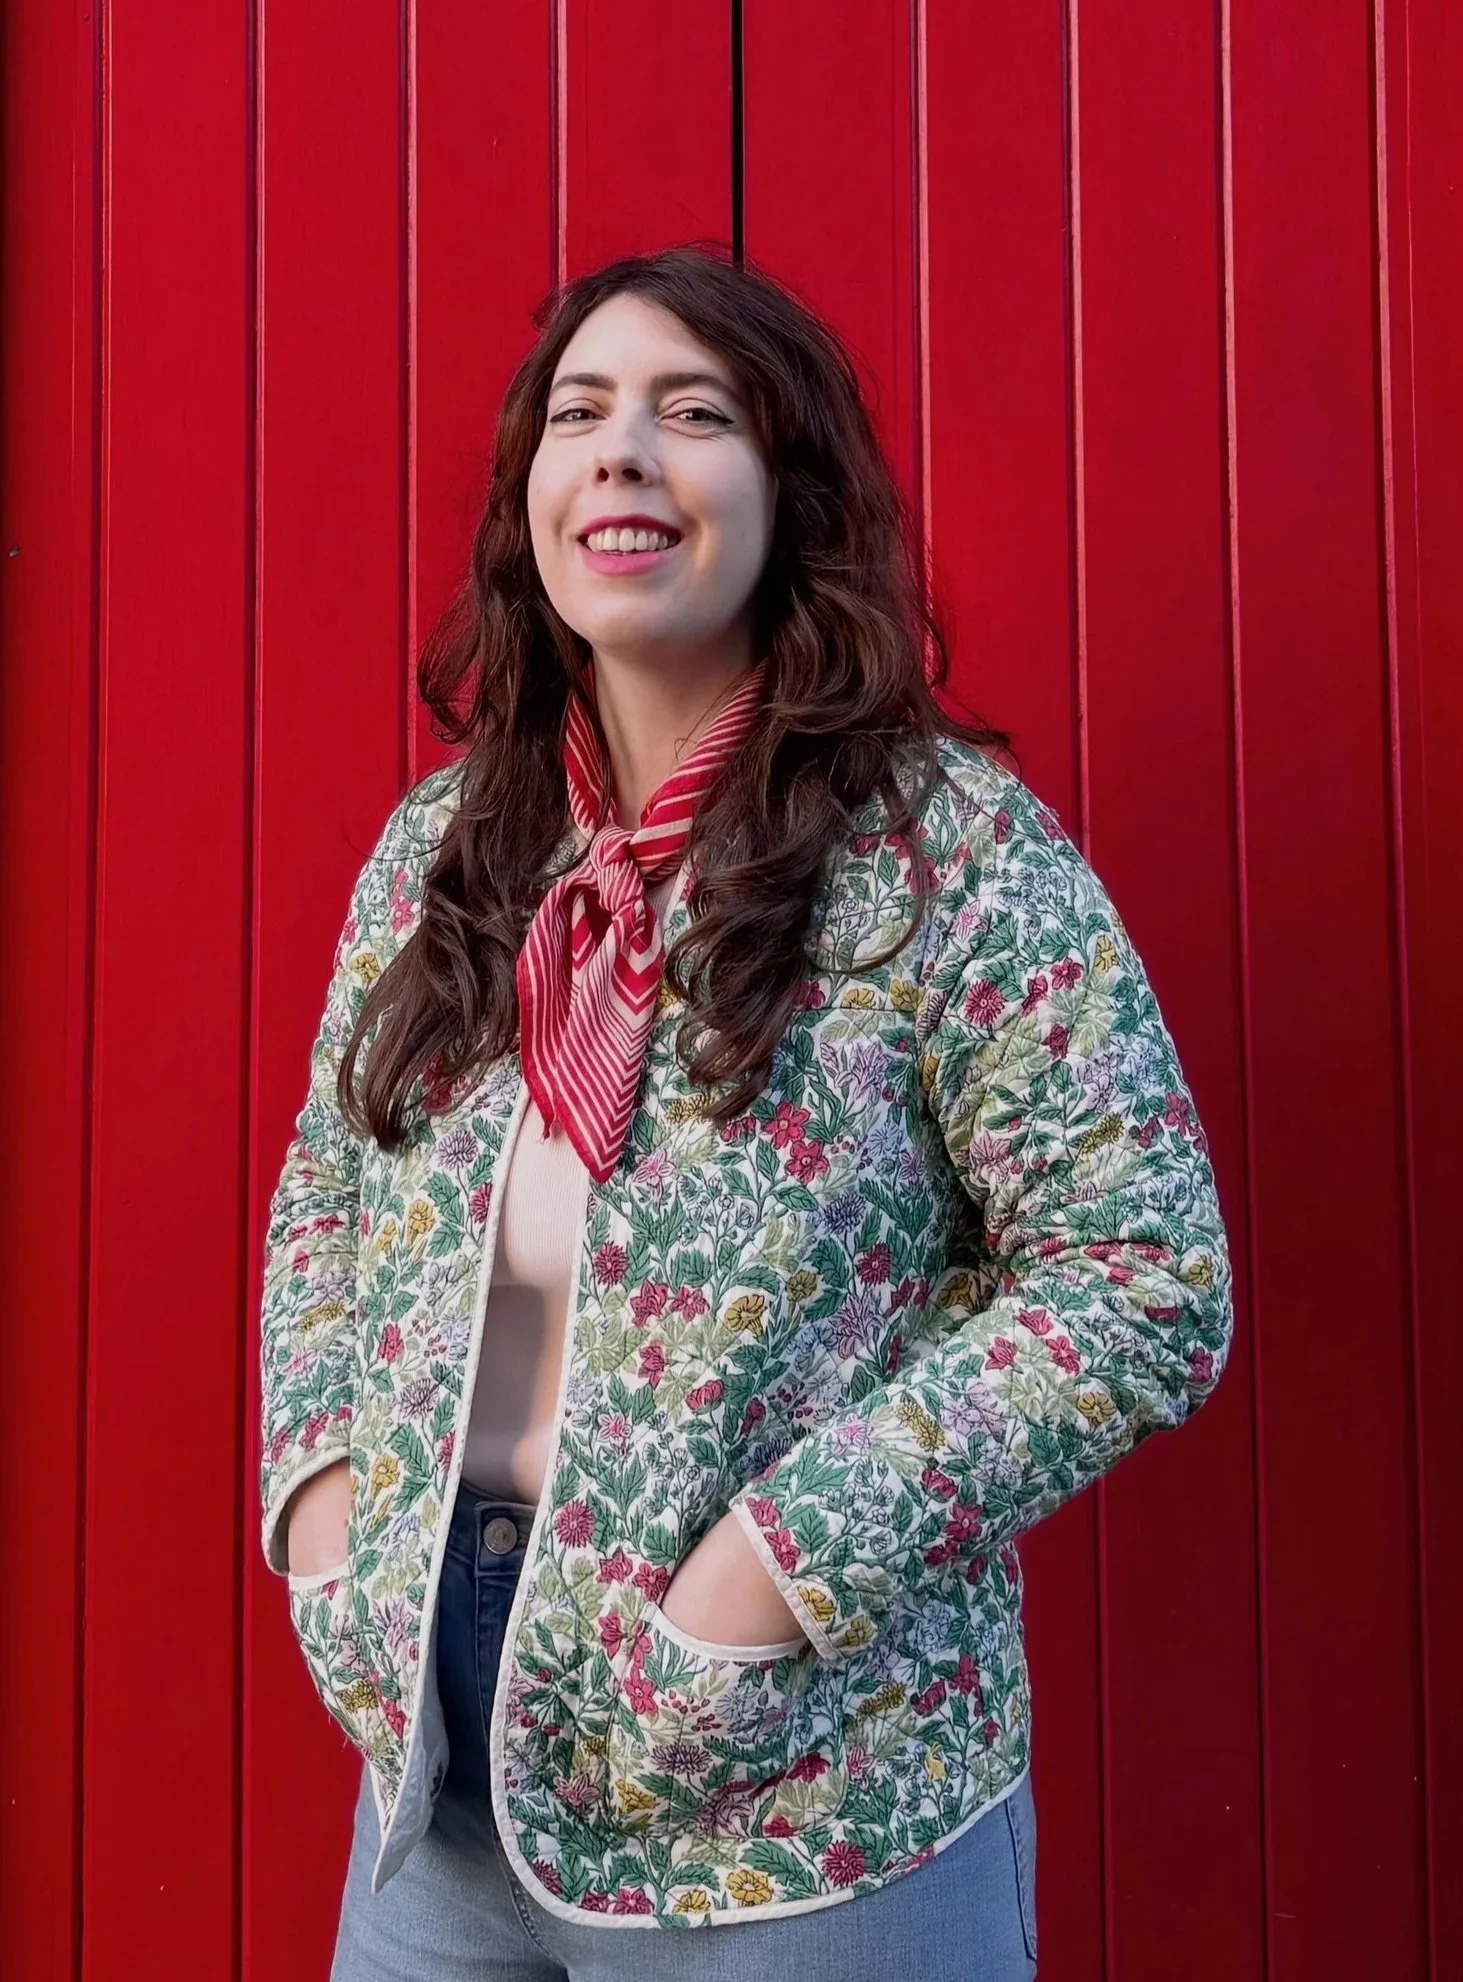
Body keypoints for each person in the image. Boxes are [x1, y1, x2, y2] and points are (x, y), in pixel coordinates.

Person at [258, 241, 1233, 1981]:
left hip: (803, 1793)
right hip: (436, 1775)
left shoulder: (944, 854)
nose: (622, 450)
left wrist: (763, 1579)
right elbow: (327, 1201)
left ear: (788, 490)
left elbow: (1141, 1272)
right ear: (530, 496)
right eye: (579, 413)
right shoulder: (442, 856)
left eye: (690, 412)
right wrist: (324, 1504)